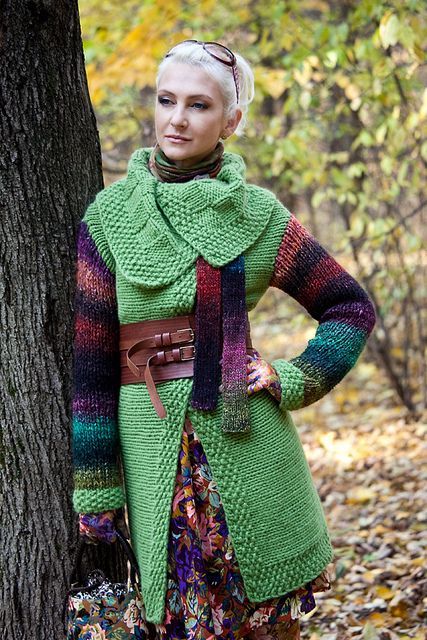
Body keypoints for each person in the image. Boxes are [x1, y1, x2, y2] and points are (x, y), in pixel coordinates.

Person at [71, 39, 376, 640]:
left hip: (249, 451)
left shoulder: (259, 217)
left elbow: (349, 306)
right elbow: (91, 367)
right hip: (151, 448)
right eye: (166, 100)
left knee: (260, 625)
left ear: (230, 121)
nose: (177, 118)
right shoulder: (107, 218)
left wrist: (292, 378)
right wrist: (97, 487)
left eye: (199, 105)